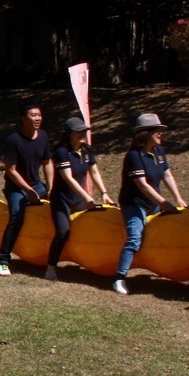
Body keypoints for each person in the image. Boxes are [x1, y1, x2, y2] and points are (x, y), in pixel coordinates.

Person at [112, 113, 188, 295]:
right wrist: (162, 203)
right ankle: (119, 278)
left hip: (153, 202)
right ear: (145, 133)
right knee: (135, 237)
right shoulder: (134, 155)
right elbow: (142, 185)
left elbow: (167, 175)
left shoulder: (158, 151)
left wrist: (178, 198)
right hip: (134, 204)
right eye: (157, 131)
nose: (161, 134)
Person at [45, 116, 114, 280]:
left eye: (84, 131)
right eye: (79, 131)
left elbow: (94, 172)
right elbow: (69, 179)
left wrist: (104, 193)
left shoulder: (87, 150)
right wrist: (87, 197)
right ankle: (50, 268)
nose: (83, 134)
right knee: (63, 232)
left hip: (78, 198)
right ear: (69, 133)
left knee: (91, 227)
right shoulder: (62, 152)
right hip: (62, 199)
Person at [0, 104, 54, 276]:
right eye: (33, 115)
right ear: (23, 118)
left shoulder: (43, 136)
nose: (38, 118)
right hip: (16, 187)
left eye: (39, 115)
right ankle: (3, 261)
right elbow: (11, 170)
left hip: (36, 184)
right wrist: (28, 190)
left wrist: (51, 187)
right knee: (16, 217)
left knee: (59, 204)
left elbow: (47, 162)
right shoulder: (13, 140)